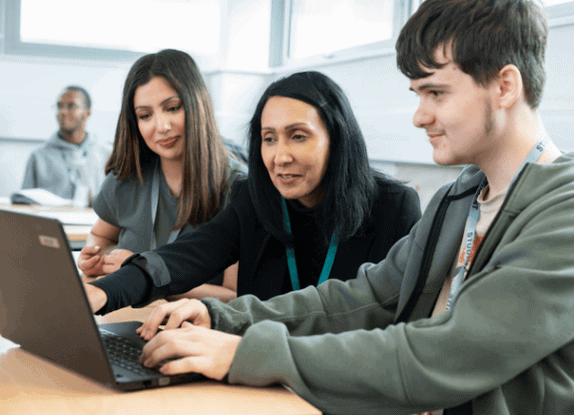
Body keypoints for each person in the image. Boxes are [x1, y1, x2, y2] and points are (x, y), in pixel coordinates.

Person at [103, 1, 574, 414]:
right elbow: (368, 296)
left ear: (505, 86)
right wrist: (224, 319)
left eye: (436, 93)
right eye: (418, 95)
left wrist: (244, 353)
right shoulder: (462, 197)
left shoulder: (563, 211)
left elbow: (444, 353)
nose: (419, 115)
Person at [84, 70, 421, 311]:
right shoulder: (255, 198)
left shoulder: (393, 206)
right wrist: (105, 292)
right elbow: (185, 257)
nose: (280, 156)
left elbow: (398, 321)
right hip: (258, 375)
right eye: (269, 138)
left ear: (337, 138)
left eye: (298, 136)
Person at [78, 49, 247, 302]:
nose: (161, 126)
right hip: (128, 317)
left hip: (190, 331)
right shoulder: (128, 176)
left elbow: (234, 297)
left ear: (196, 105)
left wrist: (142, 274)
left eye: (172, 108)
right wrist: (96, 256)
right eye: (145, 115)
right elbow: (102, 235)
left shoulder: (238, 187)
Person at [21, 85, 110, 204]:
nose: (63, 111)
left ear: (86, 113)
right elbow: (24, 204)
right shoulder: (39, 157)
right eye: (59, 106)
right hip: (52, 221)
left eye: (71, 106)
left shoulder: (107, 154)